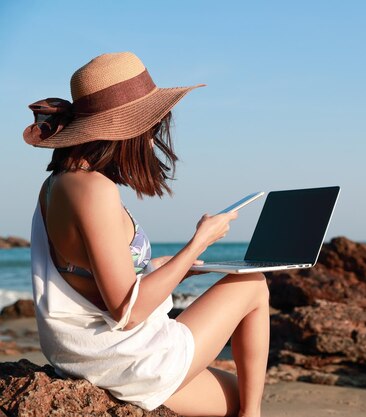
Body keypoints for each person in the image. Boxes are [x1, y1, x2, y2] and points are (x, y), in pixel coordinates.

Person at [24, 52, 269, 417]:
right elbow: (129, 310)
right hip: (122, 357)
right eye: (152, 125)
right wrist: (198, 242)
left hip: (87, 354)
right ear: (127, 128)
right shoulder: (95, 191)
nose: (155, 137)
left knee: (235, 393)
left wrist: (164, 266)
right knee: (252, 284)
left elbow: (89, 275)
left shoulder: (57, 185)